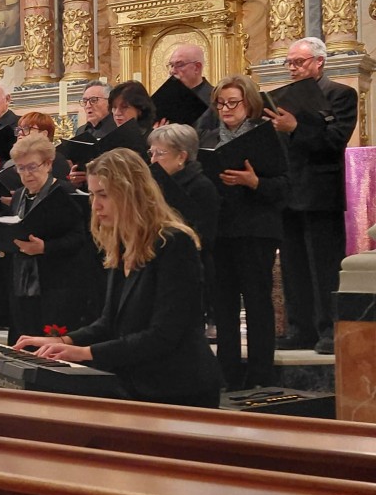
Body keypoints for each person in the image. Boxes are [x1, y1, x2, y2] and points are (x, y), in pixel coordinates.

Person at [14, 148, 223, 408]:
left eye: (103, 195)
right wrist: (63, 341)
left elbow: (164, 334)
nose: (96, 205)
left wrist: (85, 353)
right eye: (92, 195)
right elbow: (109, 322)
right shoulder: (122, 243)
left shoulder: (173, 243)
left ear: (132, 194)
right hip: (137, 381)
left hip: (178, 388)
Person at [270, 37, 358, 354]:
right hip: (287, 189)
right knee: (293, 266)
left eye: (299, 62)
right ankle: (300, 328)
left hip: (320, 192)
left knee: (323, 266)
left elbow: (335, 140)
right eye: (290, 63)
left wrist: (294, 128)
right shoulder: (281, 98)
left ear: (319, 62)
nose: (293, 68)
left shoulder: (341, 94)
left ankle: (329, 331)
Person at [201, 75, 288, 389]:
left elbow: (284, 187)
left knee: (256, 303)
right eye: (221, 103)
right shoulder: (208, 139)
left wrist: (255, 183)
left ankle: (261, 375)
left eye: (232, 102)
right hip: (220, 231)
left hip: (255, 230)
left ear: (249, 103)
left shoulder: (266, 137)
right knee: (223, 305)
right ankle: (227, 374)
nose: (225, 108)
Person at [0, 135, 104, 344]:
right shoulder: (20, 195)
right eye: (20, 168)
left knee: (49, 348)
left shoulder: (64, 193)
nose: (26, 174)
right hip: (22, 284)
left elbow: (81, 239)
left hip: (56, 287)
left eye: (32, 167)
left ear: (48, 164)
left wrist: (45, 247)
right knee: (24, 343)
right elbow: (18, 233)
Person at [147, 123, 220, 334]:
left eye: (160, 153)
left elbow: (205, 236)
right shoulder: (155, 186)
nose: (153, 160)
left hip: (189, 270)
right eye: (151, 153)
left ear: (182, 156)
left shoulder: (202, 186)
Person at [15, 111, 71, 181]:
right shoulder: (13, 162)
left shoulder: (55, 160)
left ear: (44, 134)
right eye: (19, 129)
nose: (20, 133)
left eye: (26, 129)